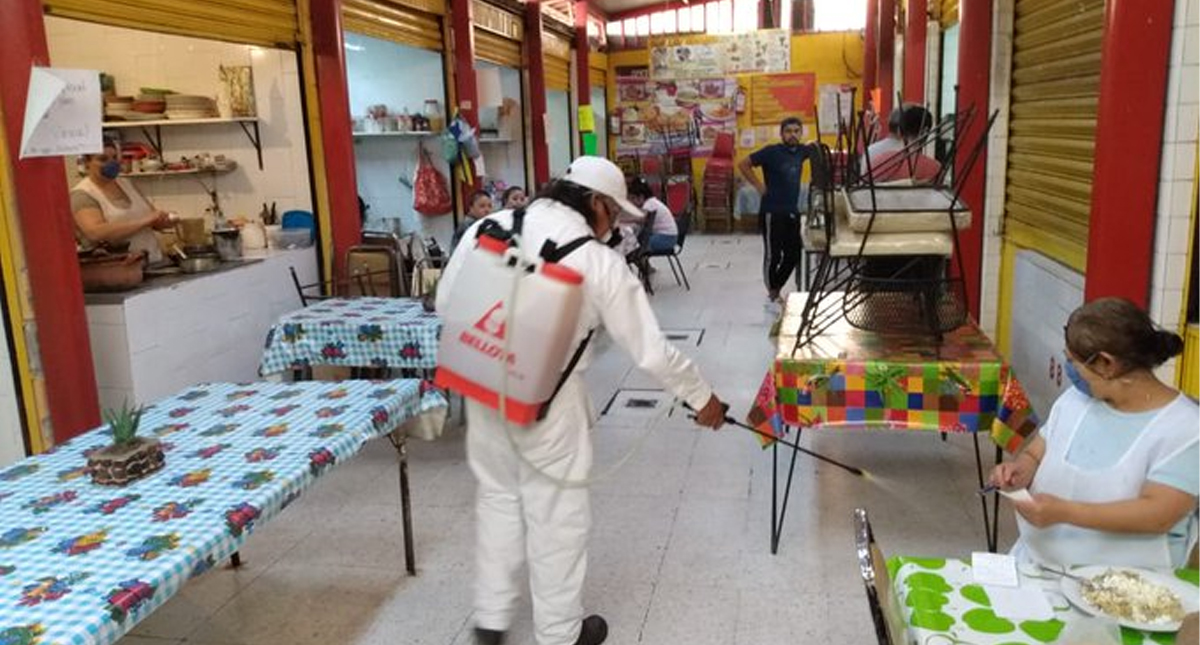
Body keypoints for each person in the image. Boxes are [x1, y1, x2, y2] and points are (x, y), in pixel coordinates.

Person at [437, 156, 727, 645]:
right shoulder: (598, 262)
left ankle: (490, 621)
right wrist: (703, 398)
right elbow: (650, 350)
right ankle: (560, 633)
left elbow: (447, 302)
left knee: (498, 499)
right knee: (558, 518)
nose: (612, 226)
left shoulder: (490, 224)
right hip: (551, 408)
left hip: (483, 389)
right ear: (595, 203)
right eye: (612, 214)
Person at [988, 297, 1198, 569]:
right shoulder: (1074, 401)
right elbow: (1036, 453)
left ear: (1106, 364)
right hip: (1040, 563)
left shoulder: (1185, 428)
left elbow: (1158, 514)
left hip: (1128, 585)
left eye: (1072, 361)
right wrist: (1021, 469)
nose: (1070, 371)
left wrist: (1064, 512)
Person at [738, 116, 814, 303]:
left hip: (792, 212)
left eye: (796, 131)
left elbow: (818, 150)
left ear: (801, 133)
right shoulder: (771, 152)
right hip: (772, 212)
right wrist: (758, 185)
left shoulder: (802, 152)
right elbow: (743, 164)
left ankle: (776, 285)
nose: (793, 135)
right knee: (774, 254)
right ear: (781, 134)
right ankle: (773, 291)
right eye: (788, 131)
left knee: (794, 253)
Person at [71, 138, 173, 263]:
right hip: (117, 271)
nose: (112, 163)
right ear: (87, 163)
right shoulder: (82, 194)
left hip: (152, 262)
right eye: (103, 159)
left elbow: (152, 218)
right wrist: (144, 221)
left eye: (114, 158)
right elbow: (96, 233)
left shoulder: (126, 183)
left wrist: (165, 221)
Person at [863, 104, 940, 183]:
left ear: (900, 129)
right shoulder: (934, 168)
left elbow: (862, 189)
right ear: (925, 132)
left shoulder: (878, 161)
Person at [627, 178, 678, 253]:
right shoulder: (652, 202)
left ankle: (643, 263)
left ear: (641, 197)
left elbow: (640, 218)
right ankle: (644, 264)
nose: (631, 202)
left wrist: (622, 219)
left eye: (633, 198)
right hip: (667, 237)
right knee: (637, 242)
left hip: (666, 239)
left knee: (636, 246)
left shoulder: (649, 204)